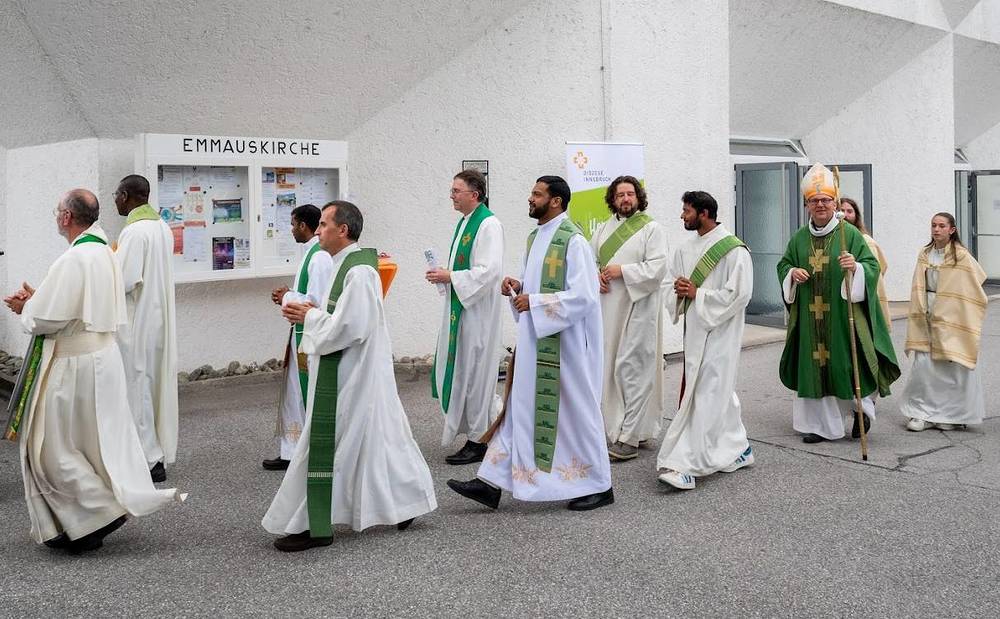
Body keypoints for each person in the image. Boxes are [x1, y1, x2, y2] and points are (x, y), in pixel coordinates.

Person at [3, 189, 183, 554]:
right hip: (102, 358)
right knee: (93, 445)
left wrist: (26, 308)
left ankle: (97, 514)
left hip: (73, 364)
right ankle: (76, 522)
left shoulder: (74, 258)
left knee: (48, 446)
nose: (56, 217)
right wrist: (41, 297)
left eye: (57, 211)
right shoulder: (103, 249)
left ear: (67, 217)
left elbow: (45, 319)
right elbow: (77, 302)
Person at [262, 200, 437, 552]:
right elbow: (341, 316)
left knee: (331, 445)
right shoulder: (342, 264)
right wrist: (312, 311)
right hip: (349, 370)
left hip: (353, 374)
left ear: (343, 230)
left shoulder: (358, 272)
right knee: (377, 439)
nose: (318, 230)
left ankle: (313, 524)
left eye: (324, 224)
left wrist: (309, 317)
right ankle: (406, 503)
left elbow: (354, 326)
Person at [447, 176, 614, 511]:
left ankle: (600, 484)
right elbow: (538, 285)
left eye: (537, 194)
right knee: (520, 408)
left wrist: (534, 302)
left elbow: (584, 296)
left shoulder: (573, 241)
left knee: (576, 413)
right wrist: (519, 286)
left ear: (556, 201)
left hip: (565, 348)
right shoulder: (536, 237)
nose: (530, 198)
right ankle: (490, 482)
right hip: (536, 340)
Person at [777, 164, 899, 443]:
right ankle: (821, 427)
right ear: (807, 205)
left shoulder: (849, 234)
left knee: (845, 366)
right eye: (814, 201)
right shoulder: (799, 238)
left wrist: (856, 267)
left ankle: (860, 411)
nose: (820, 205)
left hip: (843, 317)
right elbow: (784, 264)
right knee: (814, 369)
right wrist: (792, 274)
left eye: (825, 200)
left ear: (834, 202)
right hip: (810, 318)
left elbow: (872, 267)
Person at [656, 191, 754, 490]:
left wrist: (698, 294)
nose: (682, 216)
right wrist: (677, 289)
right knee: (715, 391)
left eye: (687, 211)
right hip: (695, 333)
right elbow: (668, 283)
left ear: (704, 213)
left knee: (709, 393)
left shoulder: (734, 250)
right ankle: (738, 448)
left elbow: (740, 294)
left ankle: (688, 465)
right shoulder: (685, 248)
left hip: (721, 333)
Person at [426, 169, 504, 464]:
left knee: (476, 374)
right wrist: (445, 276)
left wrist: (451, 276)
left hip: (478, 315)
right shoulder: (465, 222)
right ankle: (481, 431)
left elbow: (489, 272)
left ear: (475, 194)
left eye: (456, 191)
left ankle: (479, 440)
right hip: (463, 310)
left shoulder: (488, 225)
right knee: (465, 372)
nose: (452, 196)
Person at [589, 175, 667, 461]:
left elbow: (658, 268)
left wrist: (623, 271)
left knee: (632, 369)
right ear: (613, 199)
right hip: (609, 310)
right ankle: (622, 429)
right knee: (611, 369)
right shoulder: (602, 229)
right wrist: (596, 276)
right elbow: (591, 261)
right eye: (620, 194)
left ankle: (629, 438)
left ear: (638, 197)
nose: (625, 199)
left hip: (639, 310)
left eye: (630, 194)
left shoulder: (651, 229)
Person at [113, 174, 179, 483]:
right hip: (159, 317)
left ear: (126, 195)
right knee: (152, 385)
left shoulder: (134, 232)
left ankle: (149, 459)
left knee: (137, 388)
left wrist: (110, 260)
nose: (115, 201)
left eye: (117, 195)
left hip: (137, 319)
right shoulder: (162, 226)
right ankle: (155, 451)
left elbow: (125, 280)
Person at [263, 204, 334, 471]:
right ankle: (291, 451)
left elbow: (316, 302)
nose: (291, 230)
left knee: (304, 394)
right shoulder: (311, 252)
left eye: (293, 224)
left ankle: (304, 452)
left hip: (311, 336)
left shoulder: (320, 257)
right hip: (300, 334)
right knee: (294, 394)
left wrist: (287, 297)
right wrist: (288, 294)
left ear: (304, 225)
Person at [901, 213, 987, 431]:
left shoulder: (961, 256)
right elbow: (918, 284)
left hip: (951, 316)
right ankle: (921, 414)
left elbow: (976, 281)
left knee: (951, 368)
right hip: (926, 313)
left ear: (952, 230)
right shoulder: (925, 254)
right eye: (933, 225)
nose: (936, 229)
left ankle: (950, 416)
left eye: (941, 226)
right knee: (924, 368)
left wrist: (955, 305)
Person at [839, 197, 891, 330]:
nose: (845, 215)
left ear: (856, 216)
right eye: (841, 210)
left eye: (849, 211)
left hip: (859, 301)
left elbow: (876, 271)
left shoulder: (866, 241)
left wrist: (856, 268)